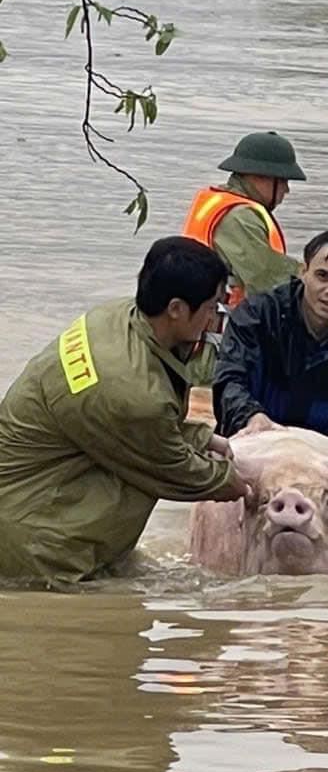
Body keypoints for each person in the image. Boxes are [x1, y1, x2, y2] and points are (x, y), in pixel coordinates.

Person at [0, 238, 248, 585]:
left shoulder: (115, 317)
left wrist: (202, 436)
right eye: (210, 307)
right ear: (176, 309)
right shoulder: (131, 390)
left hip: (34, 496)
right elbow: (172, 468)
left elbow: (127, 427)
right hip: (39, 547)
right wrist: (241, 485)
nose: (212, 319)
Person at [213, 229, 328, 451]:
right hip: (249, 445)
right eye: (323, 276)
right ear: (304, 271)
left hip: (322, 460)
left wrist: (319, 455)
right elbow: (229, 381)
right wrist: (251, 417)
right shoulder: (256, 318)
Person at [183, 131, 306, 306]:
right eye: (283, 181)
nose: (286, 190)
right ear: (259, 176)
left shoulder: (221, 201)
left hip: (202, 310)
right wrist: (312, 276)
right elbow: (267, 277)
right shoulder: (239, 216)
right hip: (222, 319)